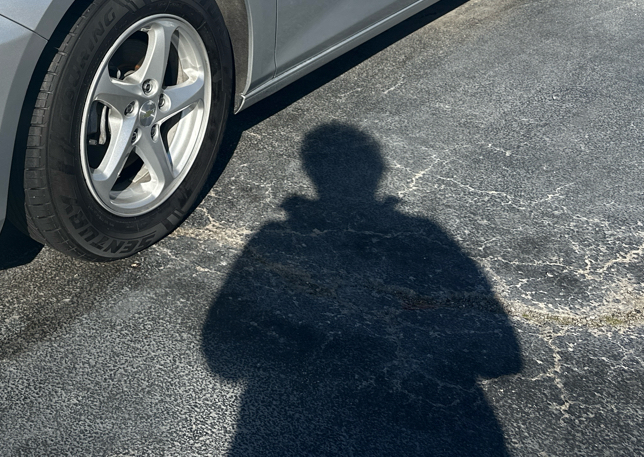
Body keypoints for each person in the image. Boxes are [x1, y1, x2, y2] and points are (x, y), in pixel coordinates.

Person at [202, 123, 523, 456]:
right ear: (379, 170)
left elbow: (222, 362)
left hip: (278, 426)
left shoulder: (272, 235)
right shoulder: (425, 230)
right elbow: (504, 360)